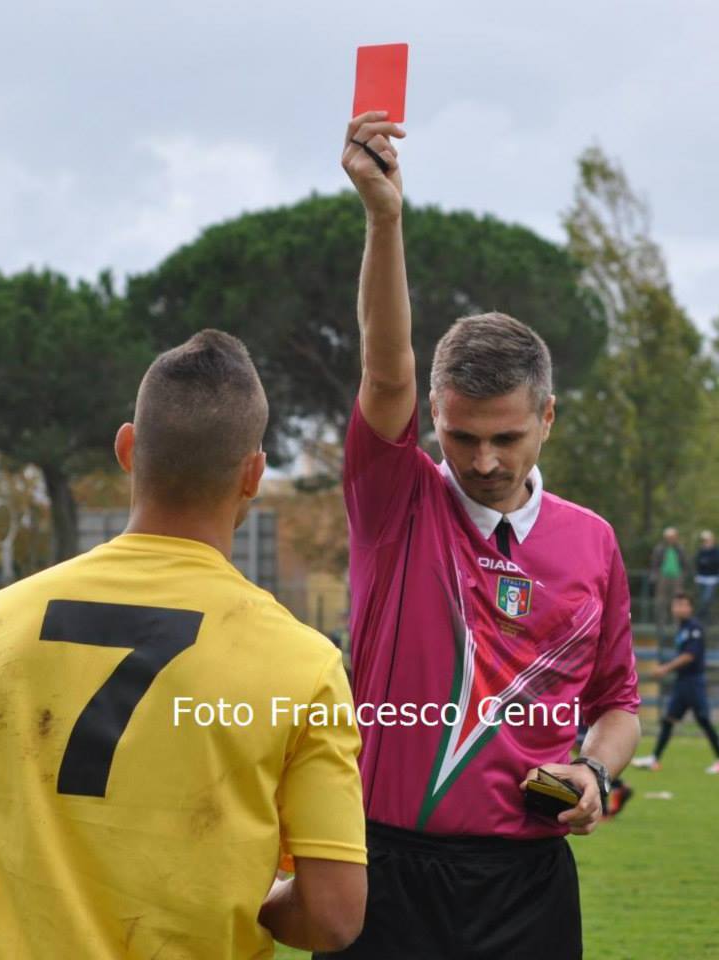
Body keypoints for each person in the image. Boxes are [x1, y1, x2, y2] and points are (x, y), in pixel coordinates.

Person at [324, 111, 642, 960]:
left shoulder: (593, 542)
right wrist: (384, 218)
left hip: (526, 886)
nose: (486, 460)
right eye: (463, 438)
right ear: (434, 417)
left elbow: (618, 705)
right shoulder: (397, 503)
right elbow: (385, 367)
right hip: (387, 871)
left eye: (507, 437)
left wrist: (597, 772)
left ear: (546, 416)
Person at [0, 330, 367, 959]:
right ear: (254, 474)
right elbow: (333, 916)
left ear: (127, 449)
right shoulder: (303, 664)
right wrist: (248, 896)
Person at [633, 592, 719, 774]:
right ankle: (654, 759)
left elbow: (690, 656)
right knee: (668, 720)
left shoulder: (694, 628)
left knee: (703, 719)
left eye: (683, 605)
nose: (678, 608)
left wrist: (665, 669)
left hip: (693, 682)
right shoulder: (682, 628)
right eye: (676, 605)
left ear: (690, 607)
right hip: (682, 683)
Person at [651, 527, 689, 642]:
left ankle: (677, 624)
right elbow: (655, 563)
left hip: (677, 577)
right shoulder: (660, 548)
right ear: (665, 538)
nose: (671, 539)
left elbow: (685, 563)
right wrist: (656, 576)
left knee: (677, 601)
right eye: (669, 537)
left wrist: (683, 576)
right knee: (661, 601)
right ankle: (660, 625)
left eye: (673, 537)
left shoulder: (680, 548)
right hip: (663, 577)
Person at [694, 529, 719, 624]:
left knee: (707, 599)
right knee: (701, 599)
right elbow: (697, 562)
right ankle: (704, 619)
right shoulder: (701, 550)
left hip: (712, 579)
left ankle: (701, 616)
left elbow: (715, 562)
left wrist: (707, 562)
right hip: (701, 578)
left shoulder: (716, 551)